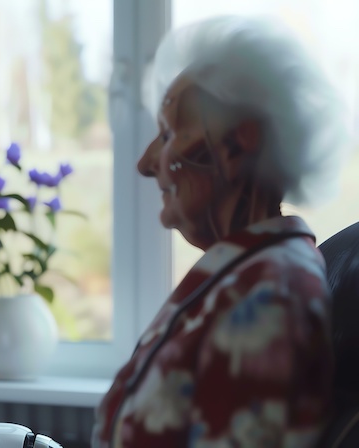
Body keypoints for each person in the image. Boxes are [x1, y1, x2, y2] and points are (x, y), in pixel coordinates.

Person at [92, 15, 352, 447]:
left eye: (170, 133)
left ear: (236, 147)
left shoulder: (268, 293)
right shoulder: (248, 273)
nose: (144, 163)